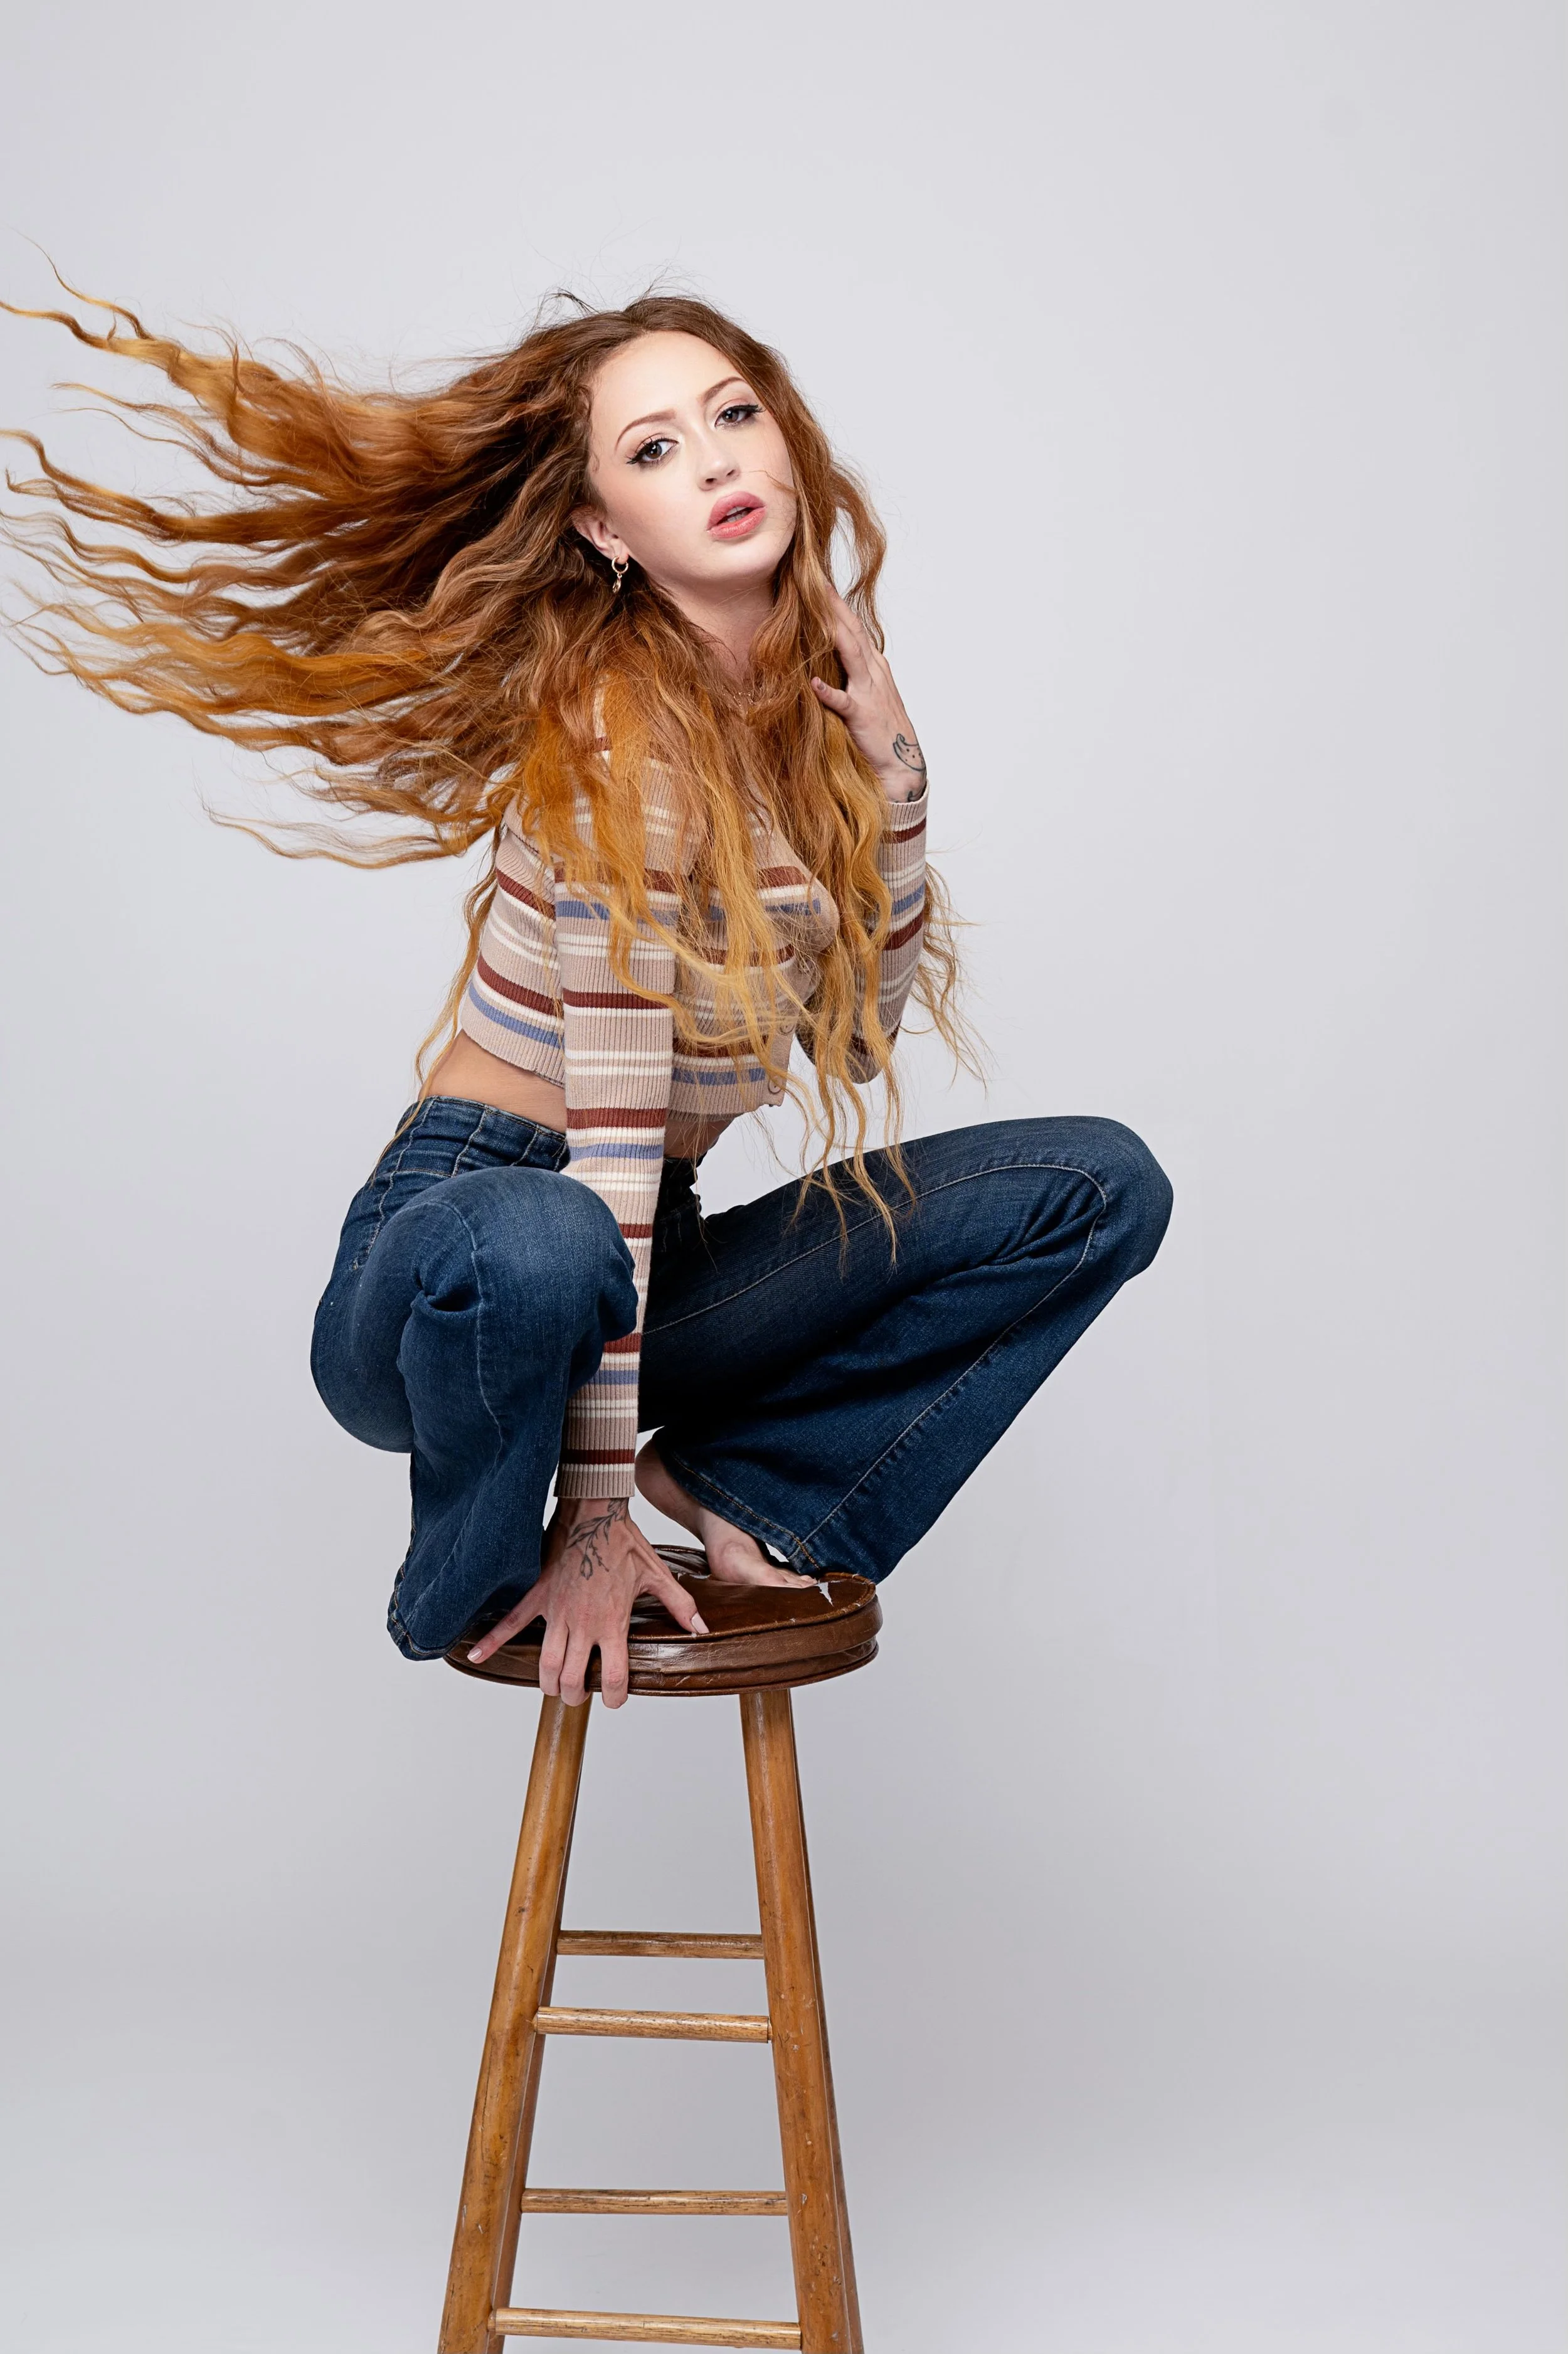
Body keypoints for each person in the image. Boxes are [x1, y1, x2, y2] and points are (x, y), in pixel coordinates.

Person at [1, 280, 1173, 1705]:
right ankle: (469, 1584)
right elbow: (608, 1141)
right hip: (457, 1254)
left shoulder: (801, 725)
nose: (721, 460)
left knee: (1095, 1183)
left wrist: (896, 786)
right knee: (549, 1234)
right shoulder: (616, 735)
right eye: (657, 448)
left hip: (635, 1262)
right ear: (605, 530)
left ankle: (752, 1487)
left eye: (733, 416)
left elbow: (856, 1041)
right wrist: (598, 1518)